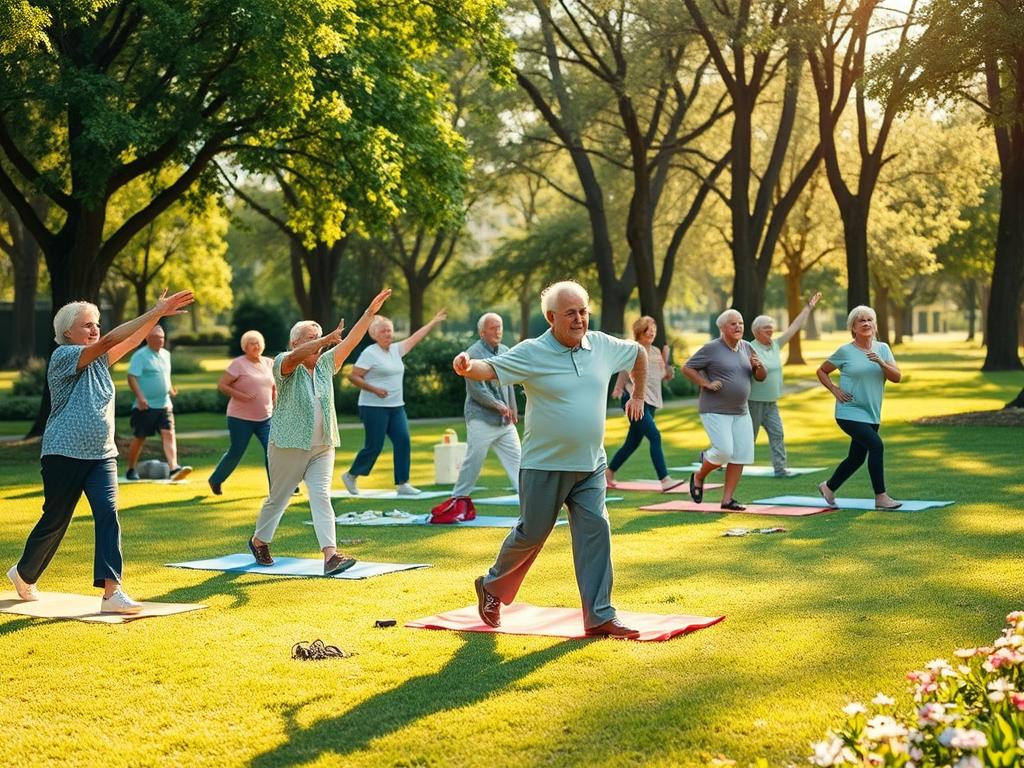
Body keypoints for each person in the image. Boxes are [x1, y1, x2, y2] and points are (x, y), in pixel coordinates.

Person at [453, 280, 648, 639]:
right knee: (532, 534)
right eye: (570, 313)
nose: (579, 319)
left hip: (590, 464)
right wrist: (467, 367)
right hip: (545, 464)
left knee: (596, 533)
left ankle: (601, 615)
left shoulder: (602, 345)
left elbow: (639, 353)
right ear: (551, 317)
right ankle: (492, 586)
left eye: (583, 311)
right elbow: (491, 369)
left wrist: (637, 394)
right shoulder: (533, 351)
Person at [7, 290, 195, 613]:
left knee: (108, 514)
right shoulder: (64, 356)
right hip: (63, 453)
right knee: (55, 520)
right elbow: (108, 340)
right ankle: (24, 574)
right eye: (86, 325)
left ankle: (112, 593)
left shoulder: (100, 361)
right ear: (68, 332)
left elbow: (130, 340)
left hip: (102, 454)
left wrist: (157, 317)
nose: (94, 329)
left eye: (96, 324)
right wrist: (155, 309)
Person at [249, 289, 392, 574]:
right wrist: (325, 339)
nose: (318, 343)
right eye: (311, 339)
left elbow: (350, 342)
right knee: (279, 499)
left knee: (321, 495)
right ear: (295, 342)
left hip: (322, 445)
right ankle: (258, 541)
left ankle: (330, 556)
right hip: (288, 445)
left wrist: (369, 314)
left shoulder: (327, 364)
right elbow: (295, 357)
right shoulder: (282, 363)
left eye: (320, 337)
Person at [341, 308, 447, 496]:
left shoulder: (396, 350)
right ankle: (351, 475)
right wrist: (375, 389)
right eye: (383, 331)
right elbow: (353, 376)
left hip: (397, 406)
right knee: (374, 446)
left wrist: (433, 321)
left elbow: (415, 337)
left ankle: (402, 483)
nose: (388, 334)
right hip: (373, 407)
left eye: (390, 330)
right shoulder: (370, 353)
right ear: (374, 334)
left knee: (403, 441)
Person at [431, 313, 522, 523]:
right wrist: (497, 405)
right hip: (481, 419)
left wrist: (512, 407)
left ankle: (532, 502)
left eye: (499, 327)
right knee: (474, 461)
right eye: (493, 328)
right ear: (482, 332)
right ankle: (458, 499)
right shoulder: (472, 354)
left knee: (519, 462)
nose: (498, 331)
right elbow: (476, 390)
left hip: (504, 422)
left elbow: (509, 383)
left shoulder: (506, 351)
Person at [816, 305, 902, 510]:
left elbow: (897, 377)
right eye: (861, 321)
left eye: (869, 320)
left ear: (875, 324)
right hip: (849, 411)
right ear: (853, 327)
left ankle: (828, 487)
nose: (866, 323)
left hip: (872, 412)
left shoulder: (883, 349)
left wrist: (881, 362)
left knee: (856, 458)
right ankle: (881, 497)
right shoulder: (845, 351)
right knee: (876, 446)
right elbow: (822, 371)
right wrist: (834, 390)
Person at [682, 309, 767, 511]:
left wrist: (759, 366)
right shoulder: (712, 348)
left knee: (742, 455)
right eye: (733, 324)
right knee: (724, 451)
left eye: (740, 323)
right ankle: (699, 476)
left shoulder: (747, 347)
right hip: (715, 409)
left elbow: (761, 377)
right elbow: (687, 368)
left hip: (741, 411)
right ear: (722, 328)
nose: (738, 327)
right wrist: (706, 383)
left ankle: (727, 500)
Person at [748, 291, 822, 476]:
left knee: (777, 434)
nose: (770, 331)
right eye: (766, 328)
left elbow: (794, 327)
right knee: (748, 440)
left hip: (771, 402)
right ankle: (713, 457)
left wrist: (808, 307)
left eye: (771, 328)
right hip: (753, 402)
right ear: (756, 331)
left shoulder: (775, 345)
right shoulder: (748, 347)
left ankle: (780, 468)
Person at [606, 316, 680, 491]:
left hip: (651, 400)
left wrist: (668, 373)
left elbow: (658, 375)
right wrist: (618, 388)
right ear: (640, 331)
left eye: (654, 329)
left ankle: (608, 472)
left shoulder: (655, 351)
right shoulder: (634, 349)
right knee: (655, 436)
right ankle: (665, 479)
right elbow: (624, 371)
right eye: (649, 329)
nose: (652, 332)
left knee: (633, 441)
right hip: (634, 400)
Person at [208, 330, 276, 495]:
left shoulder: (269, 363)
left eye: (258, 342)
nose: (256, 345)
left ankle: (276, 489)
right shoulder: (238, 364)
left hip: (265, 418)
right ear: (244, 347)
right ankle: (215, 480)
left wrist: (275, 400)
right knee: (236, 451)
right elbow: (223, 385)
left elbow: (273, 385)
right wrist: (242, 396)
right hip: (240, 418)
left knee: (273, 451)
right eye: (252, 343)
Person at [124, 325, 192, 481]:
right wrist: (140, 398)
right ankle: (131, 469)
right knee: (140, 437)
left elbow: (164, 376)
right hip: (145, 406)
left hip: (165, 404)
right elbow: (131, 377)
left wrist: (170, 389)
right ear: (148, 339)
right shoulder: (140, 356)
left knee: (169, 434)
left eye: (162, 338)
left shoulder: (166, 355)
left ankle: (173, 468)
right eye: (156, 338)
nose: (160, 341)